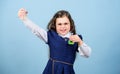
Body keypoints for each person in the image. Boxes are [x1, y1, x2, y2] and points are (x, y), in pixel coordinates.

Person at [18, 8, 91, 74]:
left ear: (70, 24)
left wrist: (80, 42)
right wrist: (24, 19)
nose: (63, 27)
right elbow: (36, 29)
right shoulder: (50, 36)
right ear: (55, 26)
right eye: (59, 24)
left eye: (65, 23)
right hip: (51, 70)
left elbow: (87, 54)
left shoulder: (76, 38)